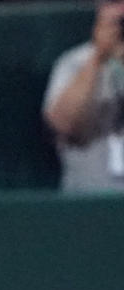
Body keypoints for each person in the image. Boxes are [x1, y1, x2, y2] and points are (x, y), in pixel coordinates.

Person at [43, 0, 124, 191]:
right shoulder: (74, 62)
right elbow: (63, 124)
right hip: (90, 202)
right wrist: (98, 57)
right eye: (114, 3)